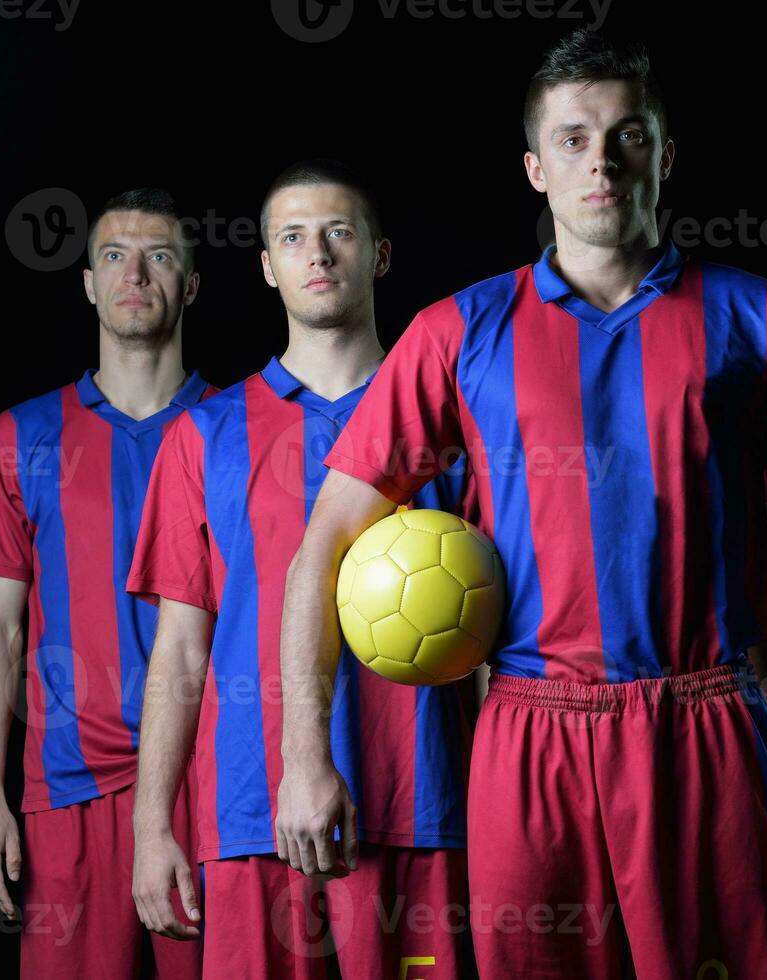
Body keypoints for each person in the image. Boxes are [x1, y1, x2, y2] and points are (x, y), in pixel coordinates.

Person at [279, 30, 767, 980]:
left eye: (626, 135)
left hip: (707, 721)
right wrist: (303, 757)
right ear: (534, 167)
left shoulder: (762, 317)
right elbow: (324, 547)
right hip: (528, 731)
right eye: (571, 139)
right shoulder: (455, 331)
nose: (600, 161)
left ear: (664, 156)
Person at [126, 161, 473, 979]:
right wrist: (152, 829)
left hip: (423, 804)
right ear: (266, 267)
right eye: (292, 238)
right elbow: (179, 649)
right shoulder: (203, 435)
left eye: (338, 233)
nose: (316, 253)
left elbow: (499, 630)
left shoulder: (455, 417)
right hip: (252, 813)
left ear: (379, 255)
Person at [0, 187, 213, 978]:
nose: (135, 273)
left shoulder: (236, 428)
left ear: (190, 285)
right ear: (89, 284)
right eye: (113, 257)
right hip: (67, 791)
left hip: (211, 785)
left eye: (160, 255)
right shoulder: (21, 436)